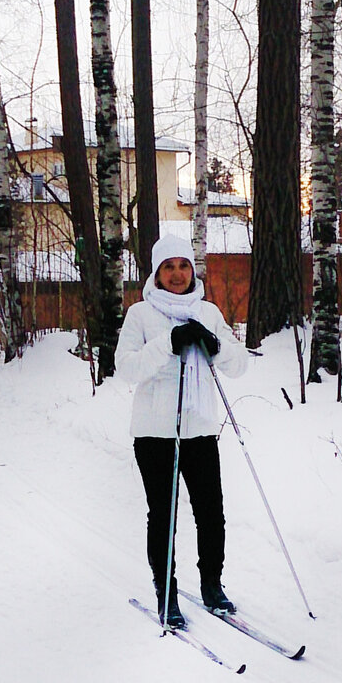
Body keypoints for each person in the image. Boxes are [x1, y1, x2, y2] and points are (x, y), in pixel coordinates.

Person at [115, 235, 248, 630]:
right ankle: (167, 594)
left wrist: (215, 345)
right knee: (164, 516)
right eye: (168, 267)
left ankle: (212, 586)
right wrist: (169, 342)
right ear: (156, 273)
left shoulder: (208, 312)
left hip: (200, 431)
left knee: (211, 514)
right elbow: (126, 368)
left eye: (184, 266)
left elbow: (239, 365)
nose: (177, 274)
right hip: (155, 434)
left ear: (193, 271)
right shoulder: (140, 314)